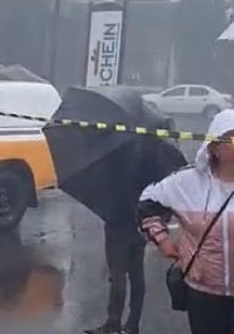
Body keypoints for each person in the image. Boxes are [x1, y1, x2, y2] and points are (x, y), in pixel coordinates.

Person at [139, 109, 234, 334]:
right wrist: (162, 240)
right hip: (203, 294)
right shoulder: (187, 183)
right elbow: (147, 204)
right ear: (215, 148)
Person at [84, 144, 146, 334]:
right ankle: (133, 323)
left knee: (118, 276)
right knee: (137, 275)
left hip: (118, 224)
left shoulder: (114, 156)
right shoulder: (149, 158)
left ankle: (113, 323)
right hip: (140, 224)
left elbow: (103, 188)